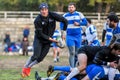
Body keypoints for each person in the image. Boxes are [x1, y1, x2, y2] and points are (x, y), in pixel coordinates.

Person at [21, 3, 68, 78]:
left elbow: (65, 21)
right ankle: (25, 67)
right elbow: (40, 34)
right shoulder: (37, 20)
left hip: (48, 40)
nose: (44, 11)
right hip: (39, 39)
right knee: (36, 55)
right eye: (42, 10)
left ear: (47, 10)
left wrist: (63, 33)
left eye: (45, 9)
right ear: (40, 11)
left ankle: (29, 67)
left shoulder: (53, 15)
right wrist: (52, 39)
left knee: (40, 58)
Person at [46, 43, 120, 80]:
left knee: (81, 71)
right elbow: (96, 60)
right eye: (119, 52)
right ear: (115, 50)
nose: (119, 54)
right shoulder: (106, 50)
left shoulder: (115, 56)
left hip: (94, 63)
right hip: (85, 51)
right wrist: (109, 63)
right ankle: (65, 78)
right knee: (82, 67)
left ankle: (56, 70)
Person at [60, 2, 87, 68]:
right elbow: (61, 23)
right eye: (69, 7)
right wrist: (63, 32)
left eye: (72, 7)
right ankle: (71, 68)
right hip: (69, 36)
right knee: (72, 52)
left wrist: (79, 24)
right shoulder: (65, 15)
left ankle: (76, 67)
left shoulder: (79, 14)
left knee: (77, 53)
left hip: (78, 36)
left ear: (74, 8)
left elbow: (85, 22)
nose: (70, 8)